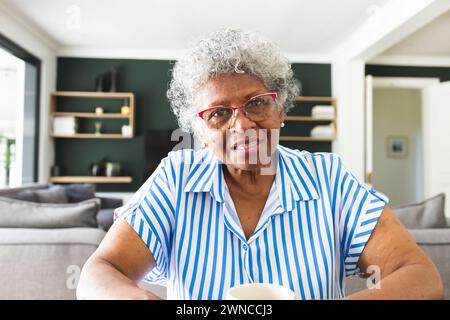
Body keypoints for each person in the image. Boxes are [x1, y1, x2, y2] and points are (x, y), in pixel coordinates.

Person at [76, 28, 443, 300]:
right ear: (200, 131)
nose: (243, 125)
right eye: (219, 113)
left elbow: (420, 276)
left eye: (256, 103)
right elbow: (98, 274)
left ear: (280, 109)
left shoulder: (327, 178)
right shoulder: (176, 178)